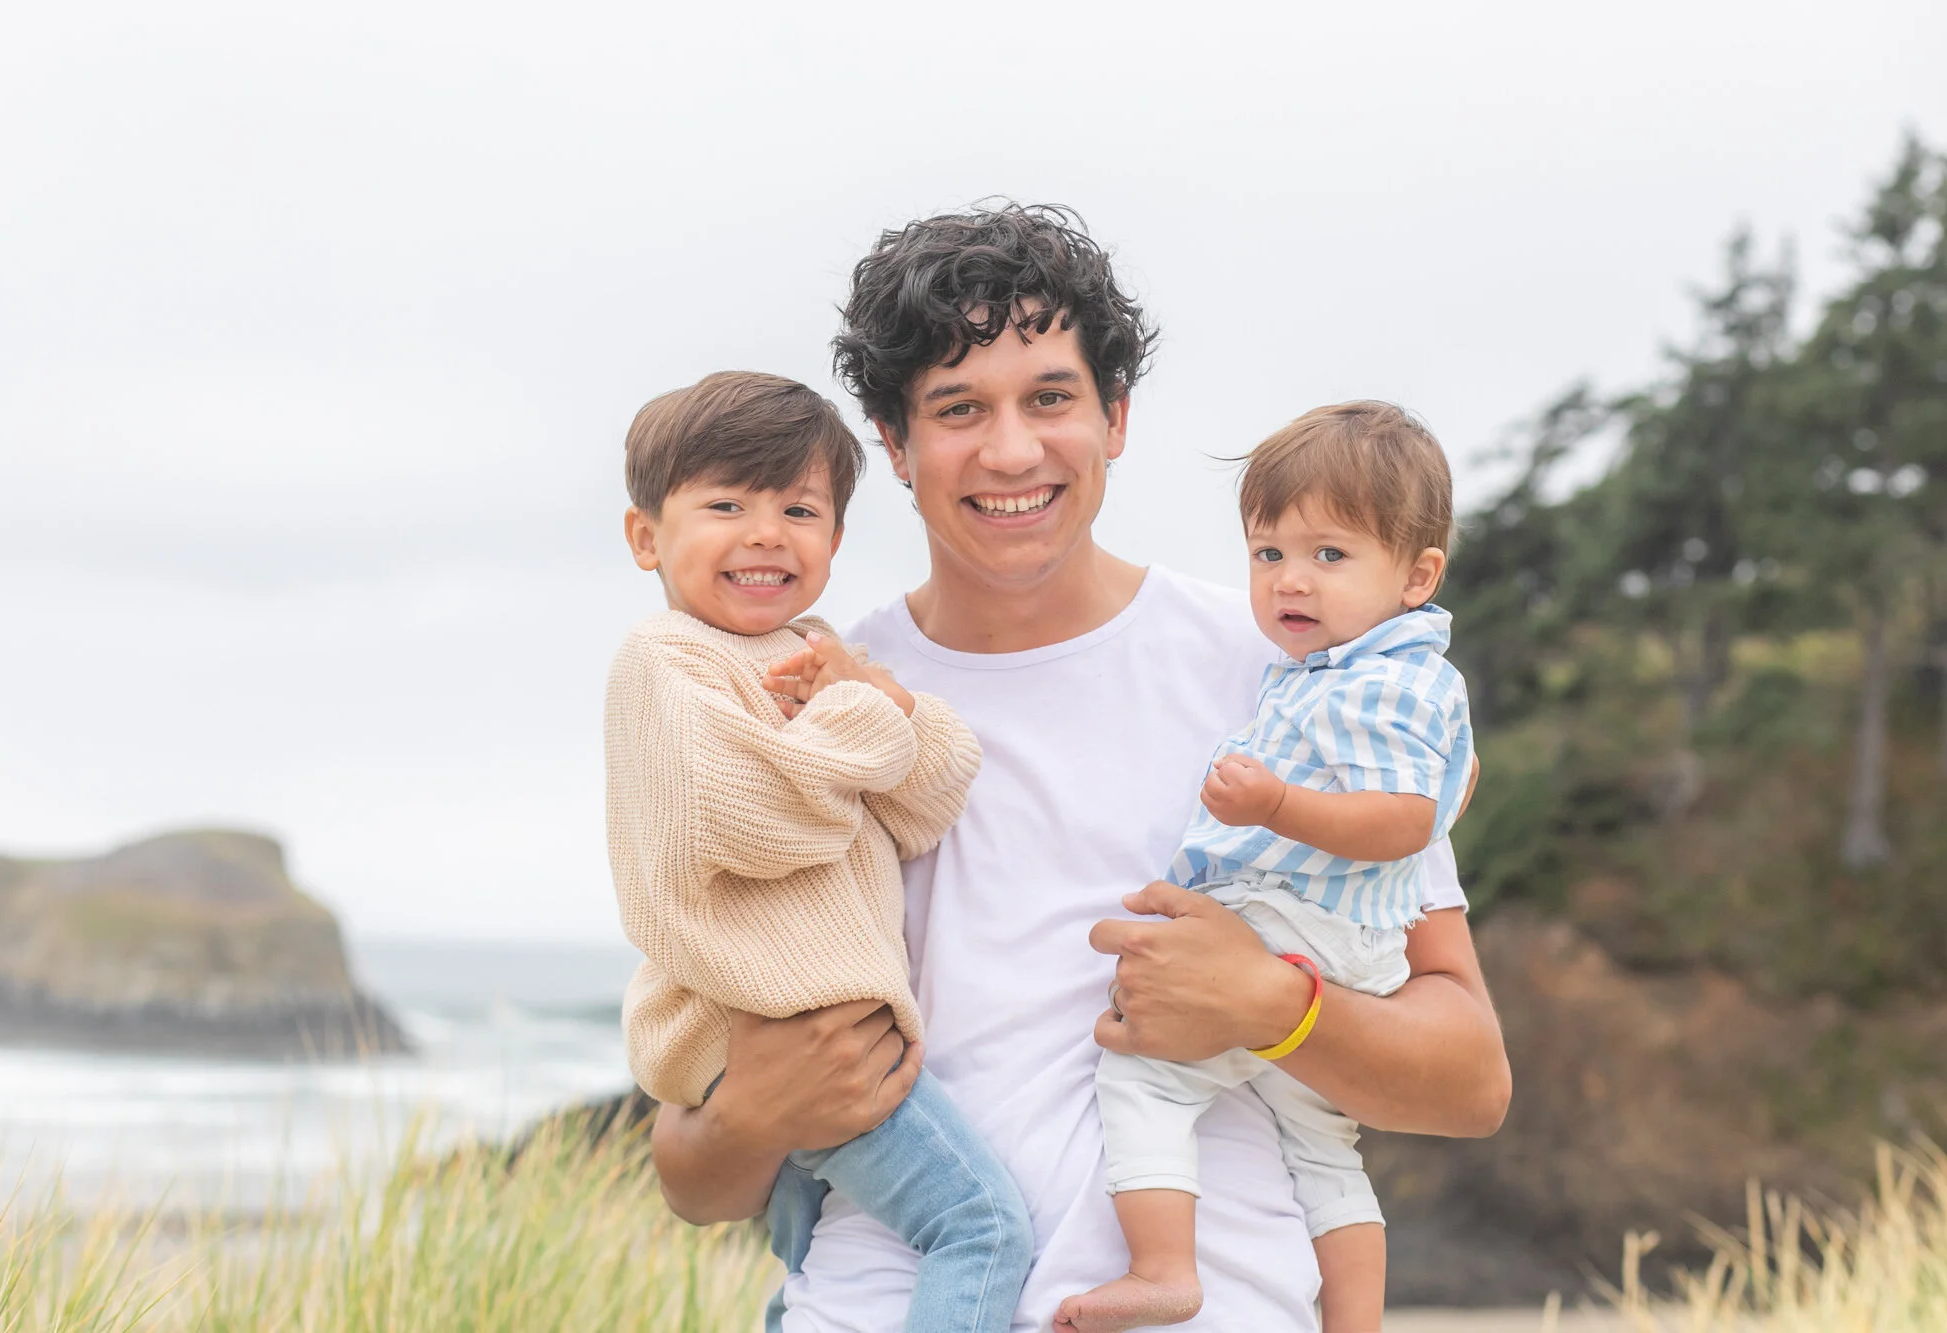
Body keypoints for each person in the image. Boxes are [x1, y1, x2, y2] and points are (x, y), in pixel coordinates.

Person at [648, 205, 1512, 1333]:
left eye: (1048, 398)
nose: (1010, 451)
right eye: (958, 409)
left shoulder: (1296, 676)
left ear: (1113, 419)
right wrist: (747, 1117)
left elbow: (1470, 1079)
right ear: (895, 446)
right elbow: (692, 1173)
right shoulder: (801, 696)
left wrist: (1273, 1005)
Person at [605, 370, 1033, 1333]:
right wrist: (854, 710)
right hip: (778, 1028)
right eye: (726, 504)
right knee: (981, 1227)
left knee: (806, 1252)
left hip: (813, 1020)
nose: (765, 532)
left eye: (798, 508)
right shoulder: (666, 659)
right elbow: (754, 821)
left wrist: (883, 701)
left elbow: (927, 802)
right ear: (647, 537)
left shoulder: (812, 651)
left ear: (834, 541)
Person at [1059, 402, 1475, 1333]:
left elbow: (1406, 818)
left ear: (1418, 576)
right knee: (1324, 1151)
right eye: (1268, 553)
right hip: (1352, 946)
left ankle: (1165, 1265)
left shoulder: (1366, 679)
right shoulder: (1383, 670)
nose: (1292, 580)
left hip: (1298, 921)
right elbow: (1440, 791)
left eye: (1330, 555)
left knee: (1146, 1080)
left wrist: (1275, 805)